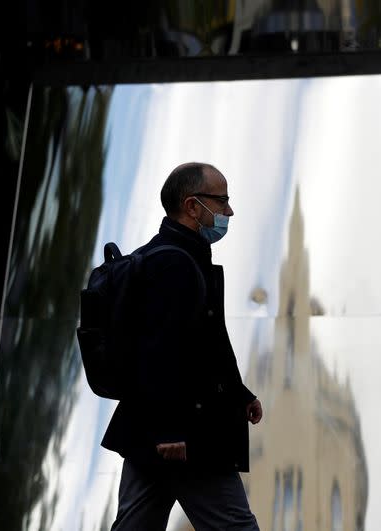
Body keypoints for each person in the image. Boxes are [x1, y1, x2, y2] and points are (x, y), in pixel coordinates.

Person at [102, 162, 264, 530]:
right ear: (193, 206)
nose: (229, 211)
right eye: (221, 201)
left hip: (156, 431)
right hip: (187, 435)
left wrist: (240, 395)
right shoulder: (173, 264)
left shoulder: (175, 255)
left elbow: (203, 344)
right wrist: (169, 430)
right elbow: (160, 352)